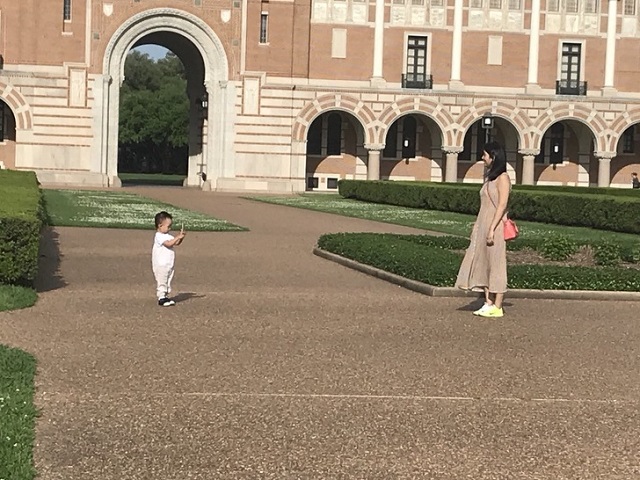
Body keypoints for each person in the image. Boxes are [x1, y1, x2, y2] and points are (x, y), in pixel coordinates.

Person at [455, 141, 512, 318]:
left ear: (493, 156)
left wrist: (492, 229)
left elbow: (502, 205)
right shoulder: (490, 178)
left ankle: (498, 305)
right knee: (483, 263)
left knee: (496, 264)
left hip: (495, 226)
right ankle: (488, 302)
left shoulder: (503, 178)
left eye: (485, 155)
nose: (482, 158)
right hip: (483, 224)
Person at [152, 211, 186, 307]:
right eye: (168, 226)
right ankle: (161, 297)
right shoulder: (159, 236)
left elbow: (176, 243)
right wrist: (177, 237)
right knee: (162, 280)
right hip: (161, 263)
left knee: (168, 279)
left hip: (168, 263)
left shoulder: (168, 235)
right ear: (160, 225)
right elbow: (169, 244)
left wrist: (181, 237)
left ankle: (165, 296)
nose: (170, 228)